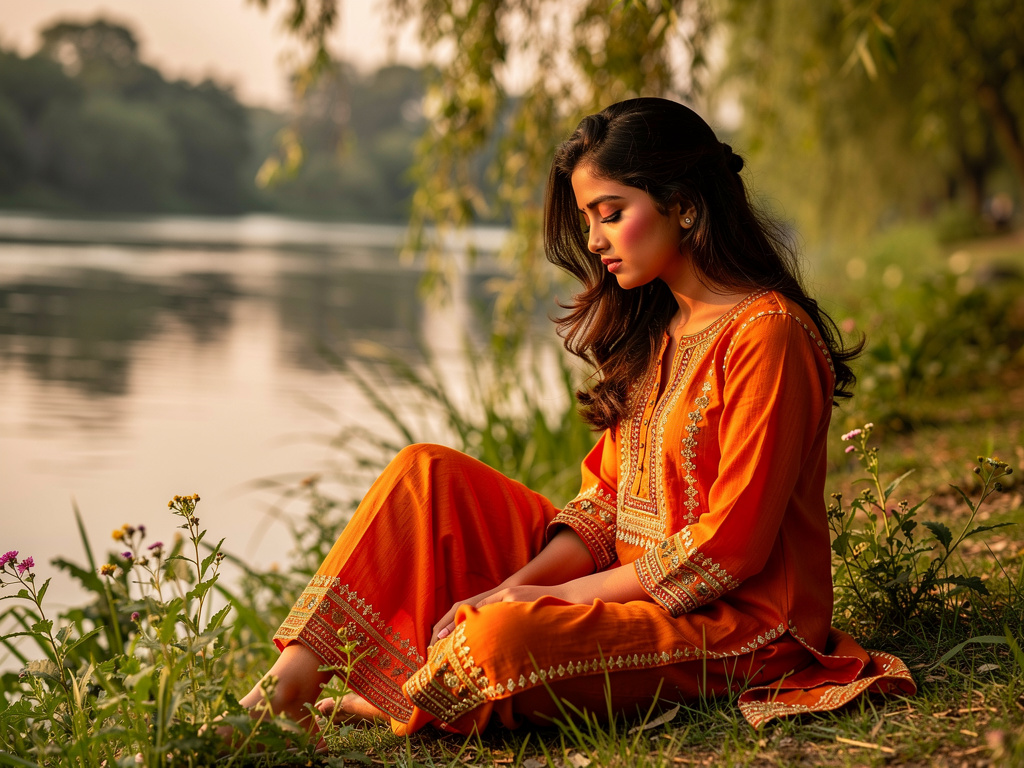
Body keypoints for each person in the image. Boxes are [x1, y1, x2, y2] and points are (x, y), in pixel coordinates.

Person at [238, 97, 915, 737]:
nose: (593, 240)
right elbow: (606, 506)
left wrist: (545, 605)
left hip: (740, 625)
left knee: (496, 640)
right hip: (621, 588)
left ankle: (410, 688)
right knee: (425, 476)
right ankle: (285, 687)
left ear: (682, 206)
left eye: (610, 213)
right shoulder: (658, 328)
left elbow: (727, 549)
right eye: (589, 219)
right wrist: (520, 584)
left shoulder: (768, 334)